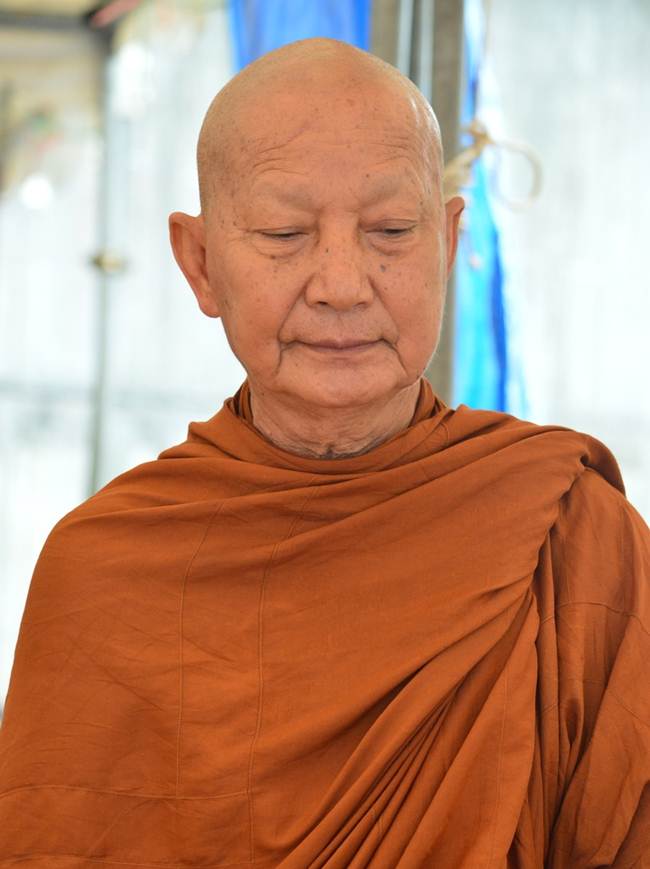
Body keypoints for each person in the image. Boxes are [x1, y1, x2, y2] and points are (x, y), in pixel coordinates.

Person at [0, 35, 648, 869]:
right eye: (283, 232)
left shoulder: (573, 538)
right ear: (200, 264)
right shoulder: (104, 573)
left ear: (448, 245)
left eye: (391, 230)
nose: (342, 284)